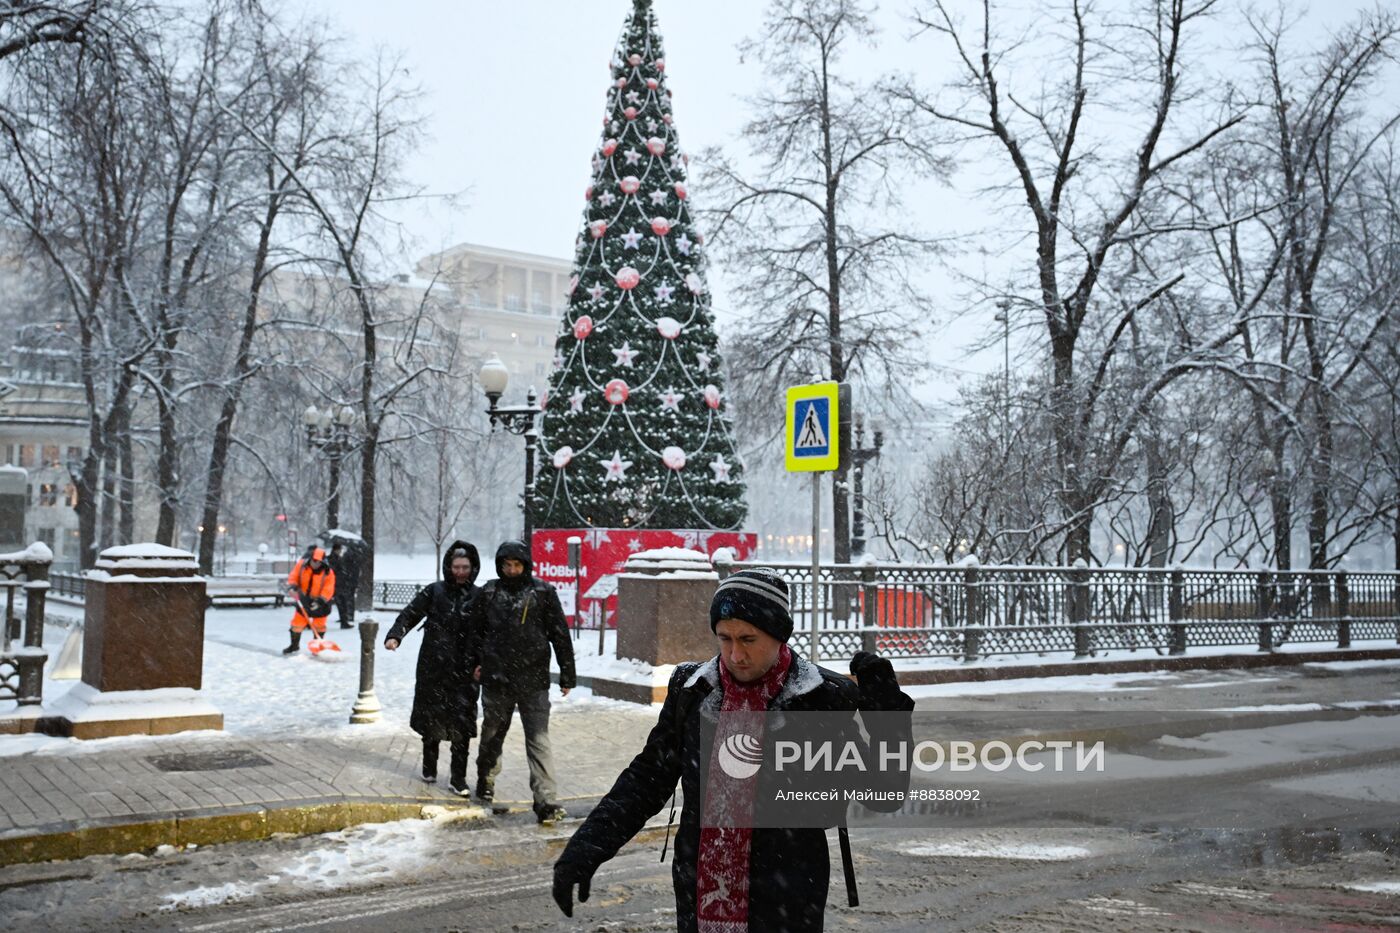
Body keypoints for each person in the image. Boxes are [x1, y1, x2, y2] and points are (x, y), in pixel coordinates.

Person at [551, 567, 914, 932]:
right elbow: (648, 778)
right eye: (724, 638)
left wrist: (887, 716)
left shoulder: (818, 699)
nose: (735, 654)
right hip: (703, 889)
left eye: (748, 638)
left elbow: (884, 793)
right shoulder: (693, 691)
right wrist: (588, 846)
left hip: (787, 897)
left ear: (778, 636)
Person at [468, 539, 576, 823]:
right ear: (500, 566)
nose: (512, 570)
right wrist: (475, 664)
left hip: (534, 680)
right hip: (497, 679)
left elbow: (559, 634)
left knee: (539, 742)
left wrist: (567, 674)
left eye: (517, 565)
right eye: (507, 565)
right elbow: (474, 634)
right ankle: (486, 780)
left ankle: (546, 800)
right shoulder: (489, 593)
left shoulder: (543, 593)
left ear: (526, 566)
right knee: (492, 736)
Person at [384, 541, 482, 796]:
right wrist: (396, 635)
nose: (461, 572)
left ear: (473, 568)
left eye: (465, 567)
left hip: (466, 670)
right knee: (432, 720)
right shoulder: (435, 591)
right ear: (448, 567)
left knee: (462, 725)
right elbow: (409, 614)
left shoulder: (480, 596)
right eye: (456, 567)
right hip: (434, 668)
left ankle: (458, 778)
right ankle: (429, 767)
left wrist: (484, 662)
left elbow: (489, 633)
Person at [283, 545, 335, 655]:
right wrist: (293, 586)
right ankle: (294, 645)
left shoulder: (328, 572)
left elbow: (329, 588)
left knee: (319, 625)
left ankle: (317, 647)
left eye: (318, 562)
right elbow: (293, 576)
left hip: (321, 602)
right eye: (314, 561)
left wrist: (320, 600)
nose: (315, 564)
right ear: (310, 558)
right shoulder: (302, 565)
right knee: (297, 624)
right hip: (303, 599)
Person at [327, 542, 360, 630]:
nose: (341, 551)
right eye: (340, 549)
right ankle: (344, 622)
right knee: (342, 603)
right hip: (337, 585)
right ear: (336, 550)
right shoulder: (333, 559)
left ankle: (344, 621)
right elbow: (334, 571)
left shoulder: (336, 558)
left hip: (340, 584)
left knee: (342, 603)